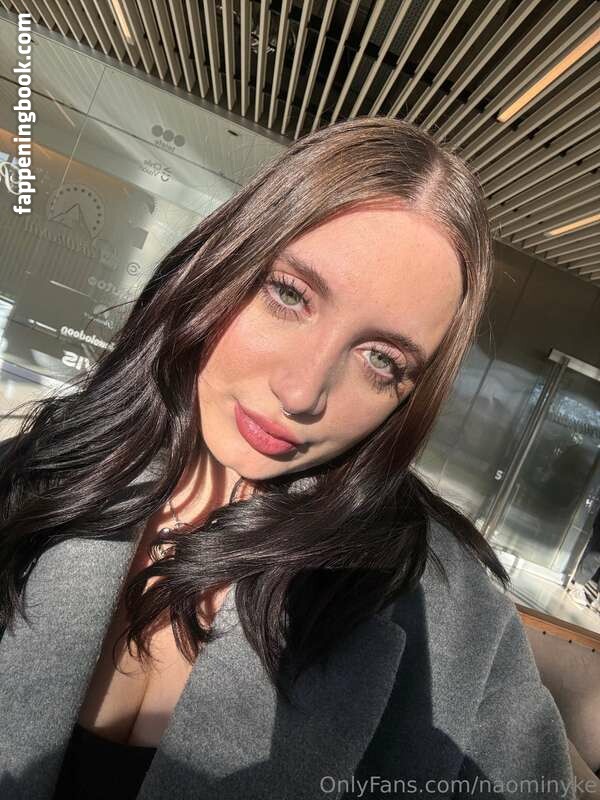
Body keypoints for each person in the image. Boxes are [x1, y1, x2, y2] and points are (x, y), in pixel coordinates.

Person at [0, 117, 576, 800]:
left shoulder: (454, 618)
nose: (302, 393)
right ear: (221, 265)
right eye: (289, 294)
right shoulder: (30, 477)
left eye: (381, 359)